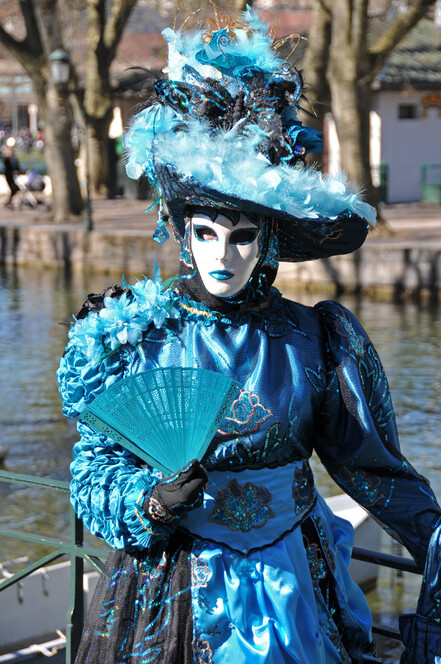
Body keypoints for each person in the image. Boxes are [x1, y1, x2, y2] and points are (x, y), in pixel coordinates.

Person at [57, 11, 441, 664]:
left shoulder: (315, 339)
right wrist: (149, 502)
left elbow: (373, 474)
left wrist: (432, 537)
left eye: (241, 235)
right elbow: (92, 475)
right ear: (179, 231)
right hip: (173, 594)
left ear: (268, 243)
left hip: (294, 586)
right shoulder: (133, 337)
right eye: (205, 232)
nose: (222, 256)